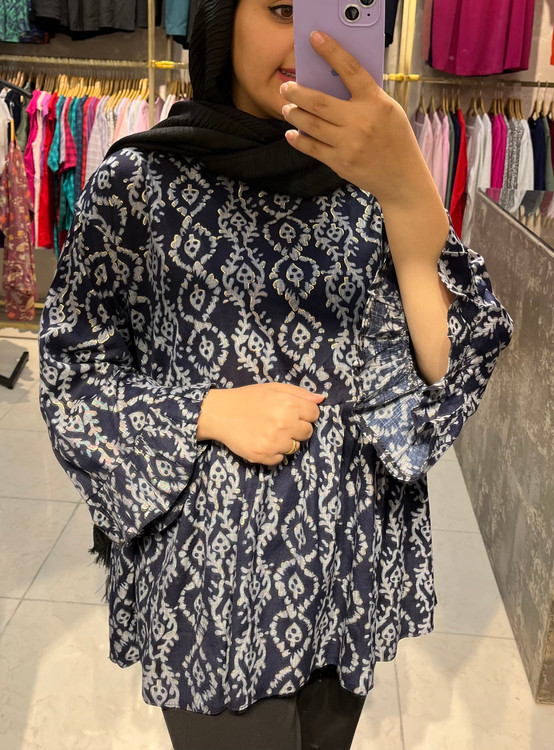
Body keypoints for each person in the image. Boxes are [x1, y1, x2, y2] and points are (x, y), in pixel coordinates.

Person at [38, 1, 513, 748]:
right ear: (222, 18)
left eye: (334, 5)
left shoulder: (372, 185)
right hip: (209, 592)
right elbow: (74, 377)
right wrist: (208, 411)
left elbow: (445, 367)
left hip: (345, 573)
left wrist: (406, 187)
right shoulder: (139, 184)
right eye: (282, 8)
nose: (310, 39)